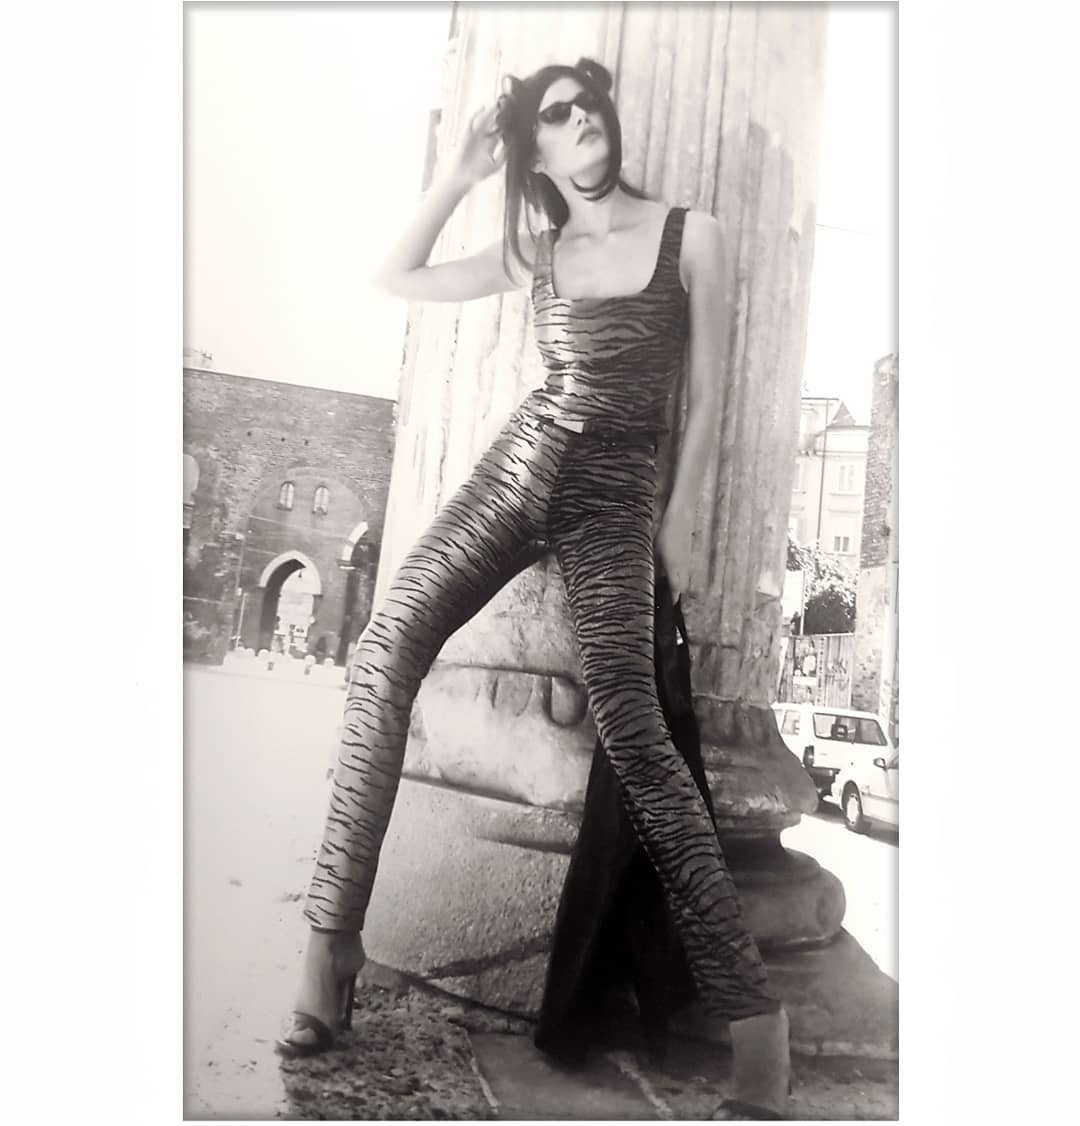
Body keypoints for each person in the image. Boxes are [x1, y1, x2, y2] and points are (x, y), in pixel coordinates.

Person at [276, 57, 791, 1119]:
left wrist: (679, 519)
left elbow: (706, 399)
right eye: (556, 114)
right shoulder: (537, 249)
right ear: (537, 150)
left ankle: (756, 1023)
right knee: (384, 647)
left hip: (615, 493)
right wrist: (459, 174)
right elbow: (398, 275)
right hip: (521, 465)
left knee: (635, 732)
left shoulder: (691, 235)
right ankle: (330, 943)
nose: (581, 117)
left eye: (587, 102)